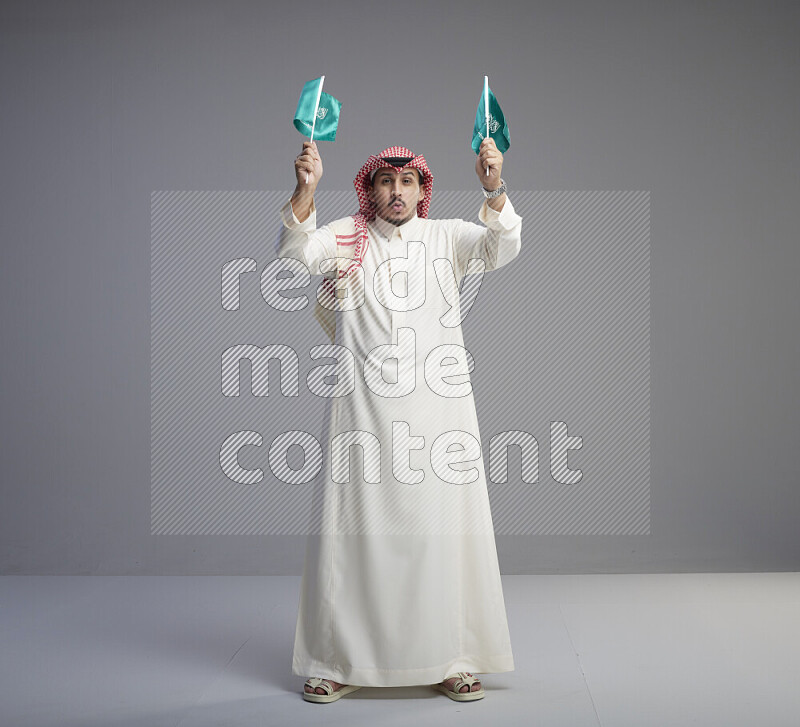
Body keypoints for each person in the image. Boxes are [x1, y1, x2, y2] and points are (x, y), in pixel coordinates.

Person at [275, 138, 522, 703]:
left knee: (440, 540)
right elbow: (294, 253)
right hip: (360, 411)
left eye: (407, 182)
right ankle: (334, 661)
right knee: (354, 538)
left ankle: (452, 657)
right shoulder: (347, 236)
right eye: (386, 181)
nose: (396, 192)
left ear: (420, 190)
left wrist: (494, 186)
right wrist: (305, 189)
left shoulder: (448, 236)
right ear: (370, 188)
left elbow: (502, 245)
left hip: (439, 414)